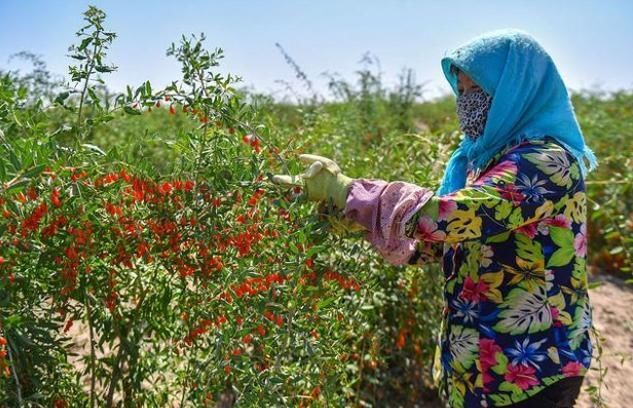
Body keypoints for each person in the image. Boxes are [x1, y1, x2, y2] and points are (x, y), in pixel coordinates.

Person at [273, 29, 597, 408]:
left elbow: (450, 216)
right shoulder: (486, 162)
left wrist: (350, 192)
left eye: (476, 89)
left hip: (532, 372)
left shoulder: (545, 162)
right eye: (460, 91)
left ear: (515, 89)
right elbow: (441, 244)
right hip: (480, 369)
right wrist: (356, 217)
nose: (466, 102)